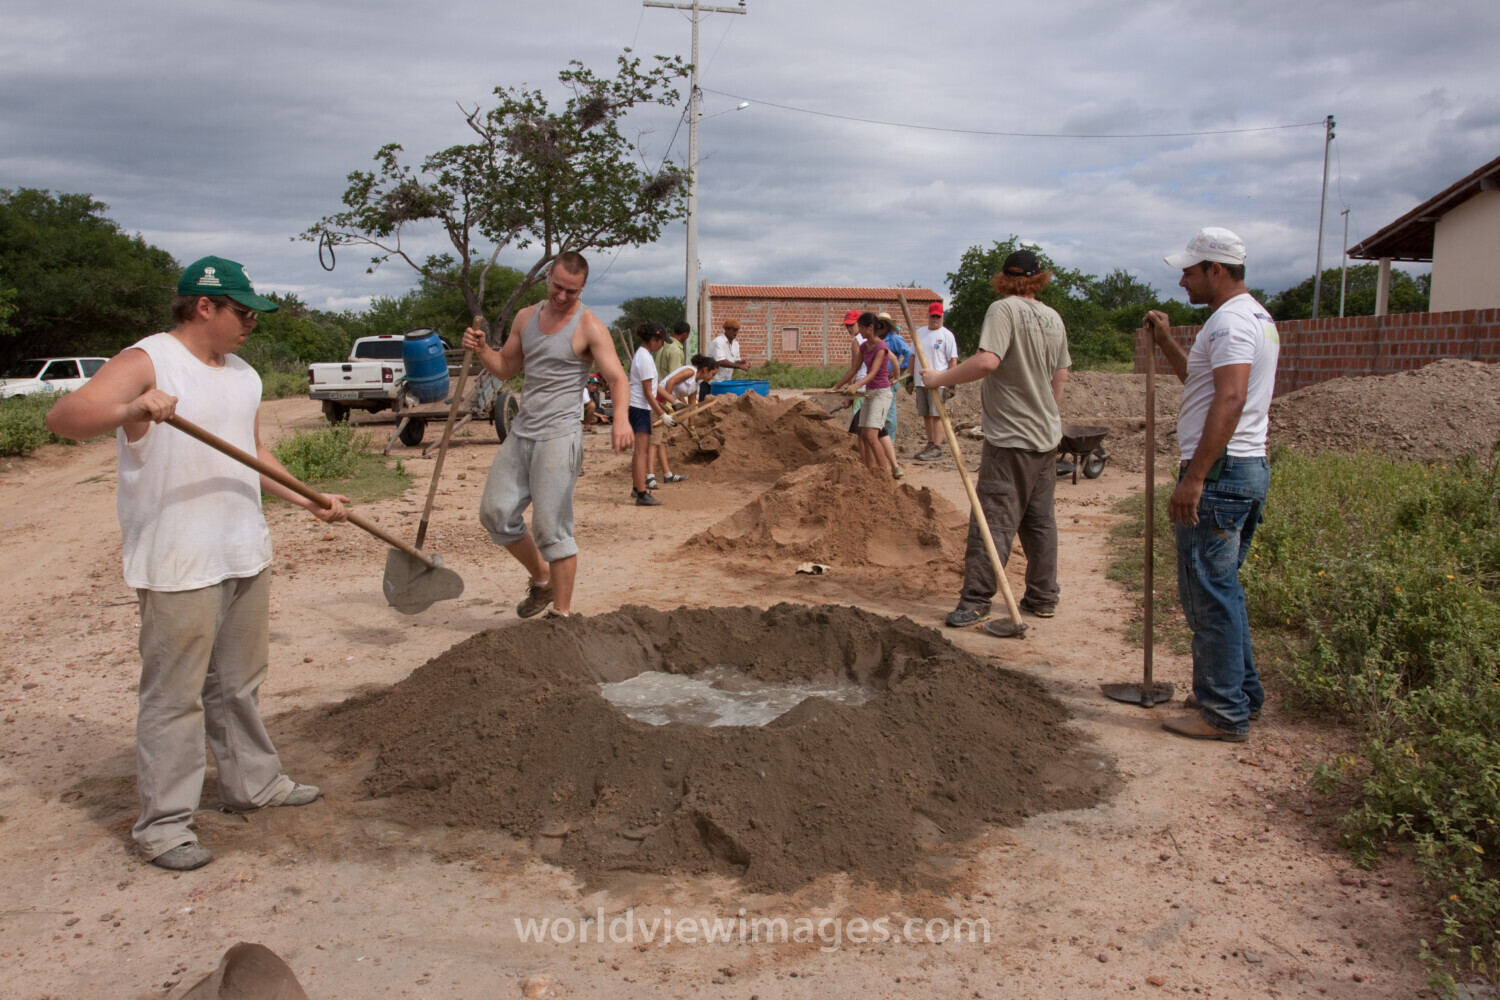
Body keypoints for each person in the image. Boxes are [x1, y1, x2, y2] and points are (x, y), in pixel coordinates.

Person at [43, 255, 349, 872]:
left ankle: (253, 783)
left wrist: (308, 498)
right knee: (175, 696)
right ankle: (163, 827)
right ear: (204, 306)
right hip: (178, 558)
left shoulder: (244, 374)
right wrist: (131, 410)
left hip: (242, 548)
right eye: (243, 312)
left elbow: (252, 451)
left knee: (238, 683)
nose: (251, 324)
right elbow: (63, 419)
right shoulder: (148, 360)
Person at [1144, 228, 1279, 743]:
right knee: (1224, 591)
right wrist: (1167, 342)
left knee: (1208, 596)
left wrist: (1196, 476)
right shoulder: (1253, 318)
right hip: (1243, 469)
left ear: (1216, 270)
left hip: (1221, 476)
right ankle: (1241, 693)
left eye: (1189, 272)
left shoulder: (1230, 323)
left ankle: (1222, 711)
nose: (1182, 282)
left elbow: (1230, 399)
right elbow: (1204, 385)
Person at [462, 252, 632, 619]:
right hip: (522, 432)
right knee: (495, 513)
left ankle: (562, 617)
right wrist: (482, 350)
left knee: (551, 527)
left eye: (572, 291)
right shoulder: (526, 318)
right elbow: (506, 368)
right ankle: (542, 579)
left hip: (559, 437)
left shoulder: (589, 327)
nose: (562, 296)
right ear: (548, 278)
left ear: (582, 288)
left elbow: (618, 378)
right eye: (557, 287)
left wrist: (621, 419)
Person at [920, 249, 1071, 628]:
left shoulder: (1003, 310)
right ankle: (1042, 597)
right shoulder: (1053, 318)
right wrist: (1047, 411)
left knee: (993, 519)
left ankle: (975, 600)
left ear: (1004, 278)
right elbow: (1061, 374)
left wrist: (938, 379)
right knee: (1039, 522)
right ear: (1039, 280)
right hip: (1046, 435)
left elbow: (988, 361)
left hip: (1011, 438)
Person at [832, 311, 893, 475]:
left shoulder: (881, 347)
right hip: (869, 393)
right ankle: (870, 471)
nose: (859, 331)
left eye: (862, 328)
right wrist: (837, 386)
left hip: (881, 393)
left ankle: (884, 474)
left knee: (872, 436)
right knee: (864, 435)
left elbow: (873, 372)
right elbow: (854, 369)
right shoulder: (864, 346)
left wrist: (856, 385)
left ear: (871, 328)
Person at [650, 353, 717, 487]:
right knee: (655, 441)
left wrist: (692, 427)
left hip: (667, 407)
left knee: (662, 441)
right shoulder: (690, 372)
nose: (713, 377)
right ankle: (649, 477)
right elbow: (670, 382)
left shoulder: (696, 384)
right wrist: (669, 404)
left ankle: (667, 475)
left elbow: (692, 406)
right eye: (712, 373)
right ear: (705, 370)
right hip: (658, 403)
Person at [627, 322, 672, 505]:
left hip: (639, 407)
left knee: (640, 450)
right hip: (640, 407)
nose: (662, 345)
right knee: (642, 452)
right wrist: (662, 415)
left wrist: (670, 403)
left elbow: (653, 388)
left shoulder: (644, 355)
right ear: (653, 340)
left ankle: (636, 487)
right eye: (661, 341)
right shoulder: (644, 358)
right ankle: (641, 494)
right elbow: (647, 392)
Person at [913, 301, 959, 460]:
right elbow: (913, 355)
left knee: (937, 414)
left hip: (939, 381)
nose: (935, 319)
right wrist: (911, 378)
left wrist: (951, 383)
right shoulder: (920, 332)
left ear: (942, 317)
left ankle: (937, 448)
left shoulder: (946, 335)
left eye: (938, 316)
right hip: (921, 381)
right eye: (932, 316)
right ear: (928, 315)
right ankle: (930, 443)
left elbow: (953, 360)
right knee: (926, 414)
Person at [874, 313, 910, 479]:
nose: (879, 327)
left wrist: (898, 372)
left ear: (887, 326)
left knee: (888, 417)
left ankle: (890, 448)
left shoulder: (894, 339)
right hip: (877, 382)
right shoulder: (875, 341)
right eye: (877, 324)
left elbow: (907, 354)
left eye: (882, 324)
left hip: (889, 381)